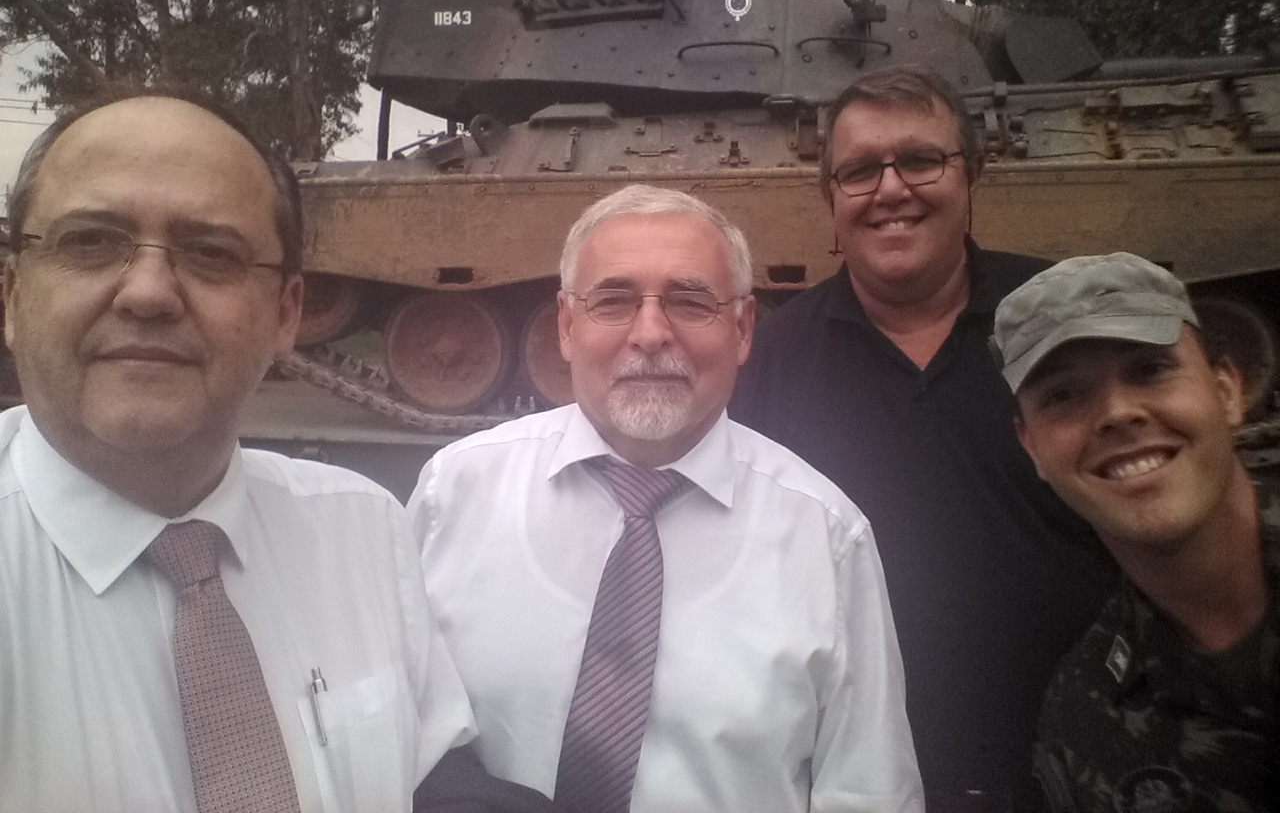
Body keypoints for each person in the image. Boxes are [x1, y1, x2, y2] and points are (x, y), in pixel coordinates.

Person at [0, 87, 481, 813]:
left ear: (287, 314)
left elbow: (430, 775)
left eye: (212, 253)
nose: (149, 293)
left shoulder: (363, 529)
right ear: (12, 296)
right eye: (90, 242)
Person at [407, 184, 924, 813]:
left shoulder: (827, 538)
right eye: (613, 301)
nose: (650, 333)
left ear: (743, 328)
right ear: (566, 326)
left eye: (690, 301)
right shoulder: (453, 493)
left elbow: (867, 790)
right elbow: (397, 736)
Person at [729, 65, 1115, 811]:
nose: (891, 189)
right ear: (831, 197)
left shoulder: (1065, 326)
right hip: (850, 775)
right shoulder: (771, 362)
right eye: (860, 171)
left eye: (920, 160)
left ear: (973, 174)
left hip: (1074, 762)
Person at [990, 252, 1279, 813]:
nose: (1117, 413)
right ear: (1033, 449)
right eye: (1063, 395)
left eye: (1150, 369)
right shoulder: (1088, 724)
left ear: (1227, 391)